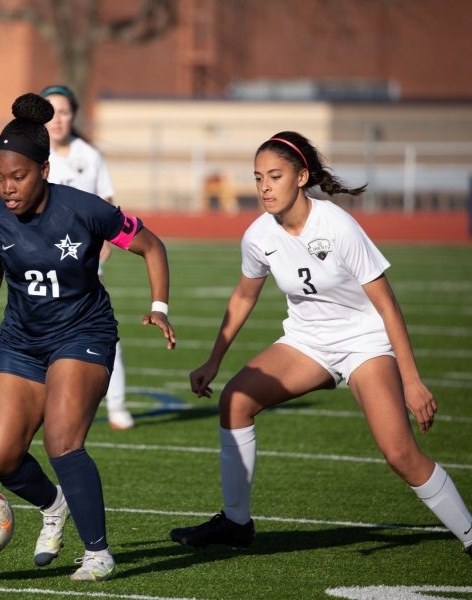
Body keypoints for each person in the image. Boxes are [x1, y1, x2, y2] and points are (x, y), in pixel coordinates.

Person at [169, 132, 472, 558]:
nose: (265, 187)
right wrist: (213, 360)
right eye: (258, 178)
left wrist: (412, 381)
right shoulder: (259, 235)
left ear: (301, 176)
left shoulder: (337, 225)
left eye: (275, 176)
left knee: (400, 453)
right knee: (234, 401)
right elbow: (243, 296)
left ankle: (470, 534)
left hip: (363, 343)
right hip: (307, 343)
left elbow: (387, 306)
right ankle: (237, 525)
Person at [0, 93, 175, 582]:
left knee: (62, 441)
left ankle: (98, 553)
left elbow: (151, 244)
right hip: (21, 342)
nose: (7, 188)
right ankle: (53, 506)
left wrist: (158, 306)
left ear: (44, 170)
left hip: (83, 333)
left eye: (19, 176)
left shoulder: (85, 211)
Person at [38, 85, 134, 430]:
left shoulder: (89, 155)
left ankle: (117, 406)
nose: (58, 119)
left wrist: (105, 242)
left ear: (73, 115)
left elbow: (107, 205)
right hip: (37, 260)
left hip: (82, 260)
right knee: (25, 324)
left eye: (64, 111)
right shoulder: (33, 153)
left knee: (99, 325)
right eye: (51, 111)